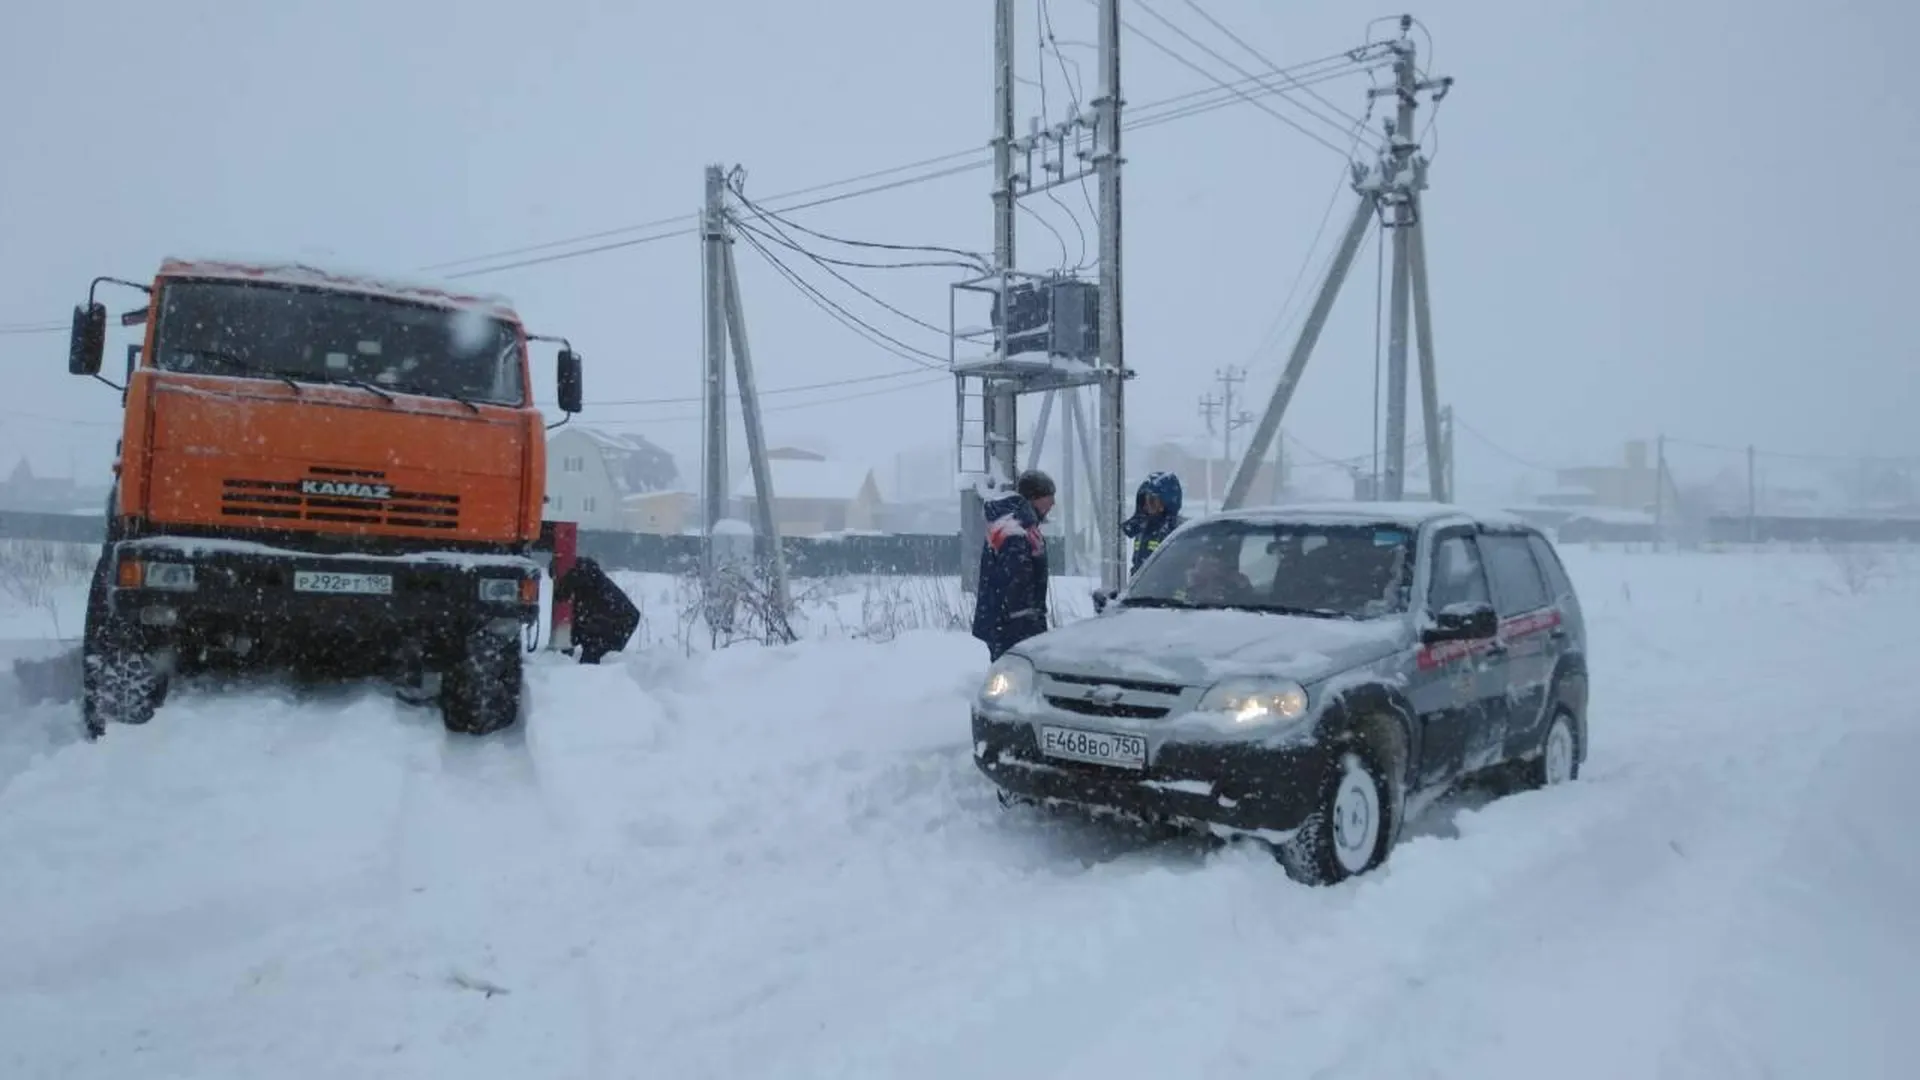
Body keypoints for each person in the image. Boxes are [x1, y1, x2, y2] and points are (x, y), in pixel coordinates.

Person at [970, 470, 1056, 661]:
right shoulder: (1013, 529)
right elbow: (1014, 580)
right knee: (1014, 679)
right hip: (1013, 626)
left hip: (1016, 622)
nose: (1052, 503)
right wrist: (1026, 620)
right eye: (1049, 497)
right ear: (1034, 497)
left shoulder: (1022, 525)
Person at [553, 555, 640, 664]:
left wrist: (568, 642)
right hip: (622, 619)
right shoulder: (587, 578)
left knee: (593, 652)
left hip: (620, 621)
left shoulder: (584, 585)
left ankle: (593, 672)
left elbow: (580, 618)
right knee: (592, 640)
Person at [1121, 471, 1185, 577]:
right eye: (1144, 501)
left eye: (1152, 501)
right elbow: (1137, 567)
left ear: (1167, 504)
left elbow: (1179, 574)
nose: (1146, 507)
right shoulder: (1143, 529)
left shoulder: (1178, 534)